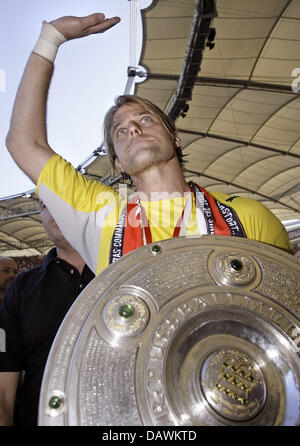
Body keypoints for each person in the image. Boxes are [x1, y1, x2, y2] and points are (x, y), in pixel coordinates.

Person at [5, 13, 293, 277]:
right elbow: (23, 143)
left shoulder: (249, 217)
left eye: (145, 118)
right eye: (120, 131)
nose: (132, 127)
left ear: (175, 136)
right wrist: (50, 38)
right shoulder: (98, 214)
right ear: (117, 162)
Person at [0, 202, 95, 425]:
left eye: (62, 199)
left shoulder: (117, 271)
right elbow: (4, 386)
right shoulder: (21, 287)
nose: (53, 209)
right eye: (44, 205)